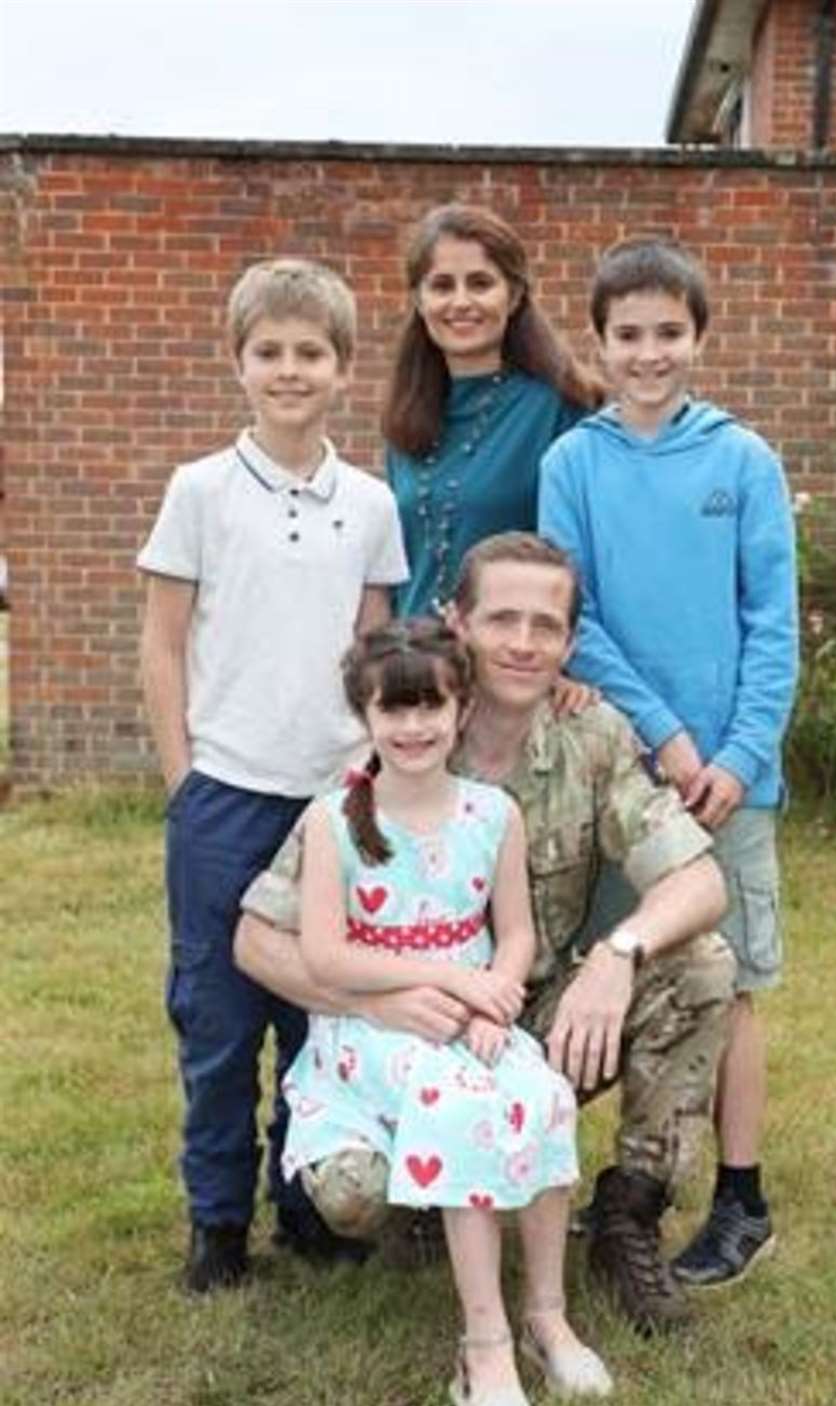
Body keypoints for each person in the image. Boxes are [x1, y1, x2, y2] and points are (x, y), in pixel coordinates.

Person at [235, 534, 735, 1334]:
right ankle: (433, 1195)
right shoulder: (403, 731)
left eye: (547, 625)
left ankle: (626, 1220)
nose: (525, 643)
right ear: (455, 621)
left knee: (702, 965)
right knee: (352, 1198)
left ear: (572, 642)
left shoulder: (592, 737)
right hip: (414, 1034)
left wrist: (616, 954)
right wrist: (381, 1006)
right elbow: (258, 940)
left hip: (531, 1024)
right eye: (502, 618)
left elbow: (701, 880)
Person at [137, 257, 408, 1294]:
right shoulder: (200, 491)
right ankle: (217, 1220)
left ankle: (310, 1204)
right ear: (239, 364)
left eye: (311, 352)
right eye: (269, 353)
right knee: (217, 1015)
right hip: (225, 793)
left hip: (331, 803)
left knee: (321, 1011)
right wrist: (183, 777)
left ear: (342, 367)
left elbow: (371, 650)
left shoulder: (370, 503)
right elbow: (164, 644)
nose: (289, 370)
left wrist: (364, 778)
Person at [538, 238, 799, 1291]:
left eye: (669, 332)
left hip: (728, 781)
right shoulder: (575, 465)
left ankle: (741, 1198)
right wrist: (664, 734)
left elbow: (771, 623)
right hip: (620, 771)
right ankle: (579, 1185)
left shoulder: (744, 461)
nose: (649, 353)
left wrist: (736, 752)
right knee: (605, 976)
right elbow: (575, 620)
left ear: (699, 335)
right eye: (627, 335)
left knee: (726, 984)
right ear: (598, 342)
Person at [281, 616, 611, 1406]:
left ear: (462, 708)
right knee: (463, 1107)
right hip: (375, 1032)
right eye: (394, 711)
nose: (415, 726)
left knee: (539, 1094)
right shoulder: (332, 822)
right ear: (365, 717)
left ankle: (546, 1315)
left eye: (432, 707)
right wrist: (448, 980)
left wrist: (496, 989)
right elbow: (325, 953)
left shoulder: (491, 814)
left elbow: (520, 933)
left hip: (474, 1018)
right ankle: (484, 1345)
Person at [383, 203, 598, 618]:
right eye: (442, 286)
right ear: (418, 299)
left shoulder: (562, 410)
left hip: (511, 666)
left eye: (480, 283)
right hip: (418, 669)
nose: (460, 302)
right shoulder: (405, 418)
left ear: (515, 295)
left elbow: (586, 563)